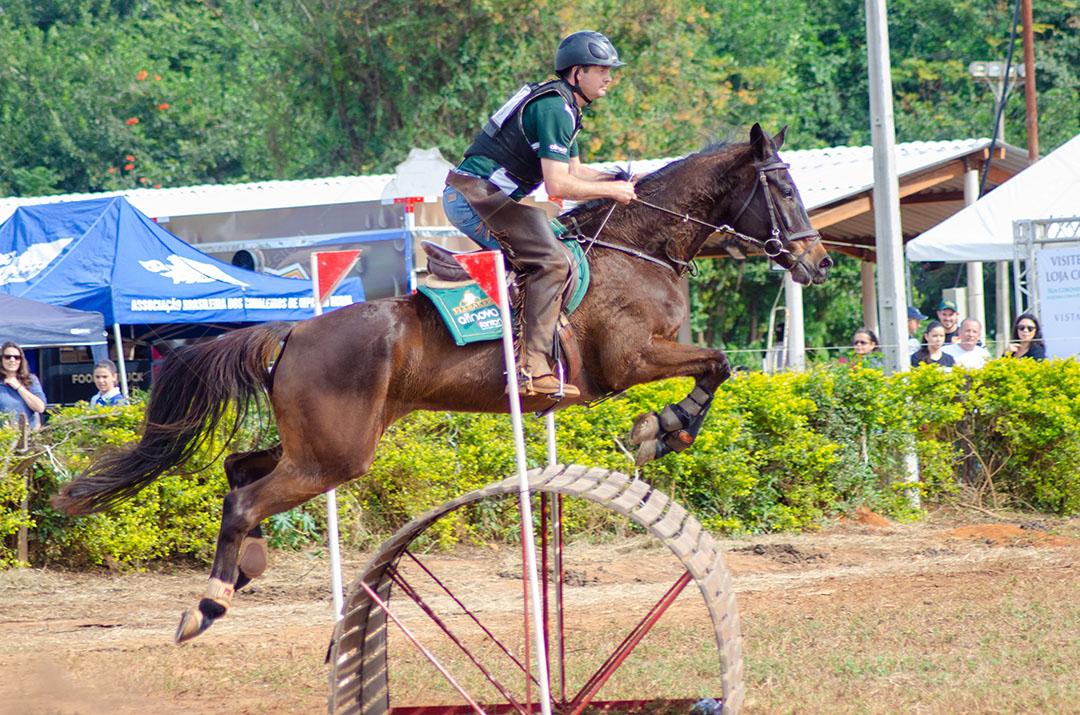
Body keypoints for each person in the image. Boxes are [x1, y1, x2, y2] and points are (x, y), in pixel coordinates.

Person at [441, 31, 637, 399]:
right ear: (577, 73)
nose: (609, 77)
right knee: (550, 262)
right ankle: (532, 368)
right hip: (474, 199)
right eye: (601, 70)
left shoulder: (566, 106)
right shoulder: (554, 109)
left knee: (564, 243)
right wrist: (613, 191)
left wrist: (624, 179)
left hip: (488, 198)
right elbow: (559, 186)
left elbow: (576, 172)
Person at [0, 341, 47, 428]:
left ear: (21, 360)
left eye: (16, 357)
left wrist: (18, 387)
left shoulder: (31, 380)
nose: (12, 360)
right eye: (7, 357)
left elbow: (40, 408)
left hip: (28, 436)